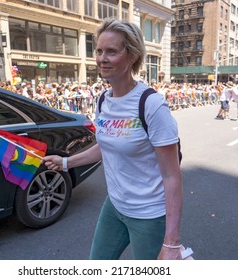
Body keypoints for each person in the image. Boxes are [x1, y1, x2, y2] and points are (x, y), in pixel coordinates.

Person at [42, 18, 183, 260]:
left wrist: (171, 242)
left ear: (132, 57)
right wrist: (65, 163)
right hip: (115, 206)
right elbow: (106, 146)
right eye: (99, 50)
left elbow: (172, 176)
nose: (101, 58)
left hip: (149, 215)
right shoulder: (103, 100)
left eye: (111, 51)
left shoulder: (151, 104)